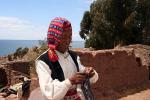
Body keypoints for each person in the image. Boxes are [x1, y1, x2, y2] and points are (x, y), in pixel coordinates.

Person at [35, 17, 99, 100]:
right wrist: (70, 81)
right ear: (55, 37)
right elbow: (49, 92)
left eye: (70, 36)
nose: (68, 40)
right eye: (64, 37)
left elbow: (87, 75)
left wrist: (89, 72)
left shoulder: (73, 56)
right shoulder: (43, 61)